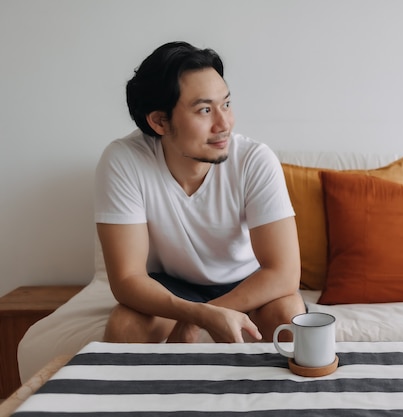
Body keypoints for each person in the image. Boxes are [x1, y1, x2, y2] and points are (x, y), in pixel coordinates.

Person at [95, 41, 305, 344]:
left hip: (247, 280)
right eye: (205, 110)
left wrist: (200, 317)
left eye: (227, 105)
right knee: (126, 326)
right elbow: (127, 279)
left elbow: (284, 273)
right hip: (171, 284)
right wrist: (197, 314)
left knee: (289, 314)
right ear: (159, 121)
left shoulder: (254, 159)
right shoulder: (124, 160)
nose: (224, 124)